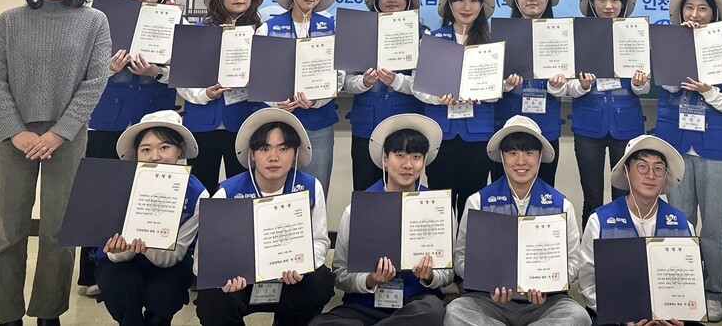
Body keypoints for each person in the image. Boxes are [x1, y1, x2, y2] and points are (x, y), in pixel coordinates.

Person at [0, 0, 112, 326]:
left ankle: (49, 313)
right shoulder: (9, 21)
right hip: (13, 136)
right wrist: (15, 131)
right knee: (8, 229)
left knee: (59, 230)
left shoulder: (94, 21)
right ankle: (6, 313)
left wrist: (60, 132)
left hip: (67, 136)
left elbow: (95, 81)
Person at [79, 0, 180, 298]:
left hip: (155, 119)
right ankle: (95, 272)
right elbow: (83, 71)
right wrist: (107, 67)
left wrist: (156, 72)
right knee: (101, 194)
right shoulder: (101, 21)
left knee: (153, 194)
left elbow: (186, 74)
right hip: (107, 120)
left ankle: (151, 267)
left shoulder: (174, 23)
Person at [653, 0, 722, 322]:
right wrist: (683, 48)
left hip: (715, 149)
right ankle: (683, 290)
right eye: (689, 8)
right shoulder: (670, 46)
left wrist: (709, 91)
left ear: (714, 14)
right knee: (679, 222)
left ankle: (714, 292)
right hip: (676, 146)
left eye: (702, 8)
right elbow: (667, 84)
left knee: (715, 225)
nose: (695, 14)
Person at [195, 108, 335, 326]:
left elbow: (320, 241)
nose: (274, 157)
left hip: (289, 278)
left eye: (284, 148)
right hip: (242, 283)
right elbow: (203, 257)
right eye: (264, 148)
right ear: (252, 154)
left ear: (295, 153)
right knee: (211, 299)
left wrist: (303, 265)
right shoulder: (227, 192)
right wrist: (225, 275)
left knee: (321, 281)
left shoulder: (309, 186)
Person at [445, 116, 590, 325]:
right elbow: (460, 258)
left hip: (545, 302)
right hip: (489, 300)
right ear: (502, 156)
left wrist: (550, 284)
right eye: (512, 153)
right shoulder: (478, 202)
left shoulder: (561, 206)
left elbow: (574, 262)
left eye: (529, 153)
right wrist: (487, 281)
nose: (521, 161)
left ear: (540, 156)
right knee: (455, 312)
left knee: (578, 317)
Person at [313, 114, 451, 325]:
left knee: (432, 312)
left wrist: (430, 276)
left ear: (424, 161)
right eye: (399, 155)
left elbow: (448, 273)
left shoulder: (437, 207)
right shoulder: (358, 208)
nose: (408, 164)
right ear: (385, 159)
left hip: (415, 302)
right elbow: (340, 274)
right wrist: (370, 279)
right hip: (365, 305)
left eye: (416, 156)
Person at [93, 110, 207, 326]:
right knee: (119, 286)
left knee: (163, 295)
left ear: (180, 149)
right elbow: (111, 251)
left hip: (169, 263)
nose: (155, 156)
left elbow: (176, 255)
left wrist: (148, 245)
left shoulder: (197, 194)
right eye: (146, 149)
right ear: (136, 153)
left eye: (164, 147)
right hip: (122, 261)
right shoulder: (117, 186)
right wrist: (122, 250)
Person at [255, 0, 348, 193]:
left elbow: (339, 75)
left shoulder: (332, 29)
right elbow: (258, 74)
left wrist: (317, 100)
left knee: (316, 187)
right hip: (277, 122)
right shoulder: (268, 28)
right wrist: (275, 102)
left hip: (318, 122)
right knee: (276, 189)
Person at [578, 135, 690, 326]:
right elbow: (588, 284)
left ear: (665, 176)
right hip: (616, 318)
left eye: (658, 168)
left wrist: (674, 316)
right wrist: (622, 317)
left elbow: (689, 283)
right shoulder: (600, 221)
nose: (651, 175)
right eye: (642, 166)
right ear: (626, 171)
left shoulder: (681, 224)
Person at [566, 0, 650, 225]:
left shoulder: (636, 35)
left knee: (624, 196)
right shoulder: (577, 35)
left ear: (623, 3)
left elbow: (645, 87)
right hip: (587, 126)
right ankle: (590, 248)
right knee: (591, 197)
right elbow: (568, 86)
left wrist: (638, 84)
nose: (608, 5)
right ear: (592, 3)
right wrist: (581, 85)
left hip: (627, 126)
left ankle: (622, 245)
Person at [413, 0, 498, 218]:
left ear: (482, 6)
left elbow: (498, 90)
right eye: (460, 0)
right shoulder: (432, 39)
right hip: (441, 133)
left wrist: (482, 93)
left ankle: (468, 245)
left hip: (478, 134)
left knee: (472, 204)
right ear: (449, 5)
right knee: (439, 204)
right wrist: (437, 97)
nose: (466, 6)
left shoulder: (491, 42)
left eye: (473, 0)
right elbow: (418, 86)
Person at [176, 0, 264, 193]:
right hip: (202, 121)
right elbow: (183, 79)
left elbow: (268, 77)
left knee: (243, 189)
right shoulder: (198, 31)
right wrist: (204, 94)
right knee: (200, 189)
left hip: (244, 122)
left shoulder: (260, 33)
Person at [347, 0, 426, 191]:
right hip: (366, 124)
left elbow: (425, 87)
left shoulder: (422, 35)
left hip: (405, 124)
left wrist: (396, 80)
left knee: (405, 186)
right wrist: (364, 82)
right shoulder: (359, 33)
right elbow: (346, 82)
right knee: (365, 189)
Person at [495, 0, 567, 187]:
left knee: (544, 190)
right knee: (502, 189)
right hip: (507, 123)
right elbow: (488, 82)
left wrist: (557, 85)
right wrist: (505, 84)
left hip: (546, 124)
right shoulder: (499, 35)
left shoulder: (561, 34)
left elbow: (570, 85)